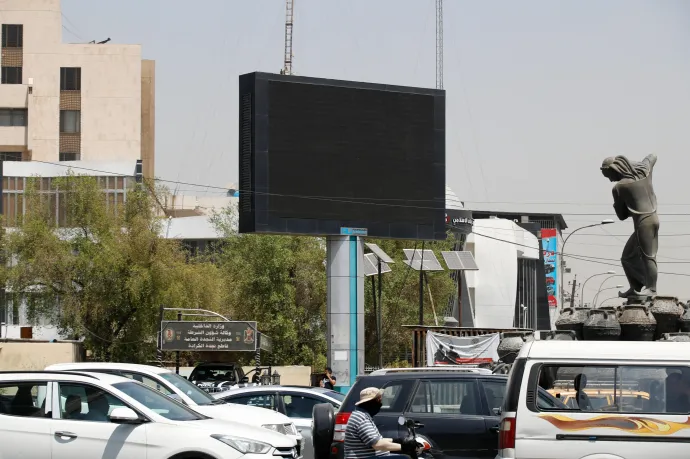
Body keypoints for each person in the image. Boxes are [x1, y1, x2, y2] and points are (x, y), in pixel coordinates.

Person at [600, 154, 659, 297]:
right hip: (653, 219)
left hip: (643, 222)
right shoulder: (645, 172)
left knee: (648, 256)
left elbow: (622, 216)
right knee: (627, 257)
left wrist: (617, 202)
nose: (609, 179)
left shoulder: (619, 187)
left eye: (608, 175)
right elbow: (652, 157)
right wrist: (639, 165)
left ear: (615, 169)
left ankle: (651, 289)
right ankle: (636, 287)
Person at [344, 387, 419, 459]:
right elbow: (377, 444)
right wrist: (404, 447)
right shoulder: (361, 418)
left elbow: (378, 440)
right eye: (379, 400)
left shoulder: (363, 415)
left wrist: (398, 440)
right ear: (371, 402)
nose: (381, 403)